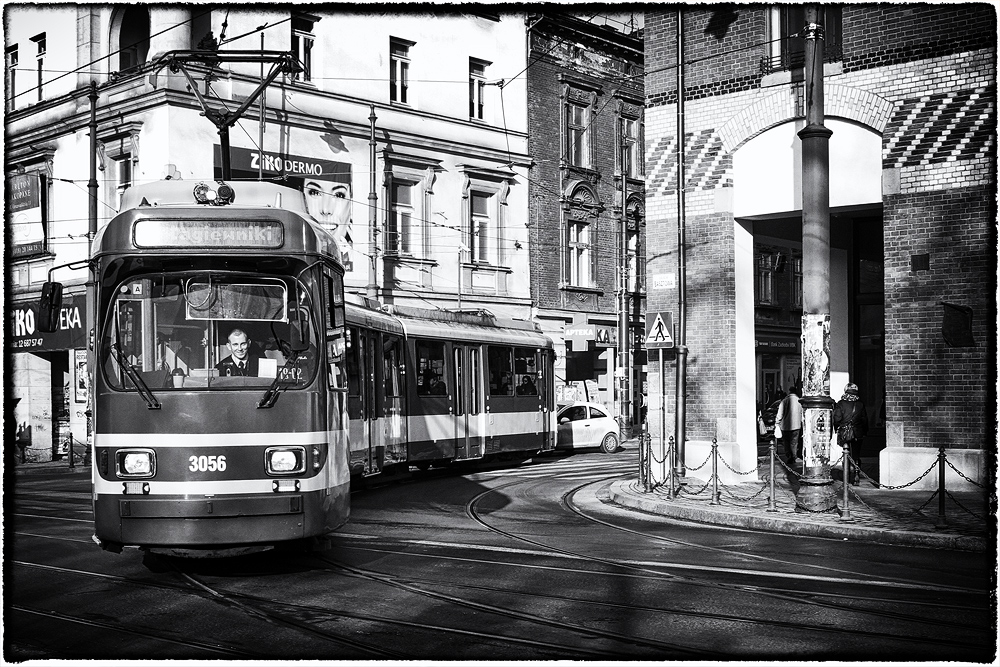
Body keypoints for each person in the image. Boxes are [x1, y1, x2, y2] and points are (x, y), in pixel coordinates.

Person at [833, 382, 869, 485]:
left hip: (845, 433)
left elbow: (837, 418)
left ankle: (847, 476)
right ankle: (856, 475)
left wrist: (836, 428)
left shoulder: (841, 404)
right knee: (856, 455)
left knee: (845, 453)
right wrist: (865, 431)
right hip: (858, 433)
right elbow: (864, 420)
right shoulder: (860, 404)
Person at [774, 386, 802, 465]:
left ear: (789, 392)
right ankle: (794, 456)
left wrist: (777, 423)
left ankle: (789, 456)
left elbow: (780, 414)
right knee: (794, 442)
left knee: (786, 442)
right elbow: (802, 414)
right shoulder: (799, 401)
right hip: (796, 426)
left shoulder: (784, 401)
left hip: (785, 426)